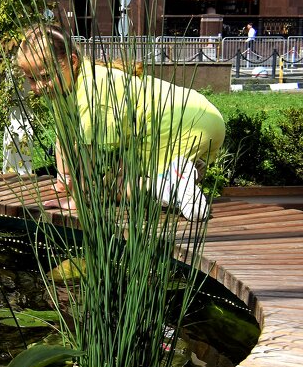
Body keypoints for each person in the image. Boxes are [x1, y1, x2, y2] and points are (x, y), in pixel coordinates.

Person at [14, 24, 225, 221]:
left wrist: (78, 201)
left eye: (45, 76)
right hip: (195, 116)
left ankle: (169, 185)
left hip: (183, 123)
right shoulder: (66, 88)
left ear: (73, 61)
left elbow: (88, 154)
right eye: (31, 79)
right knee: (112, 181)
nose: (38, 87)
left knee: (112, 187)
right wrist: (64, 180)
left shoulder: (91, 92)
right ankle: (176, 177)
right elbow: (65, 136)